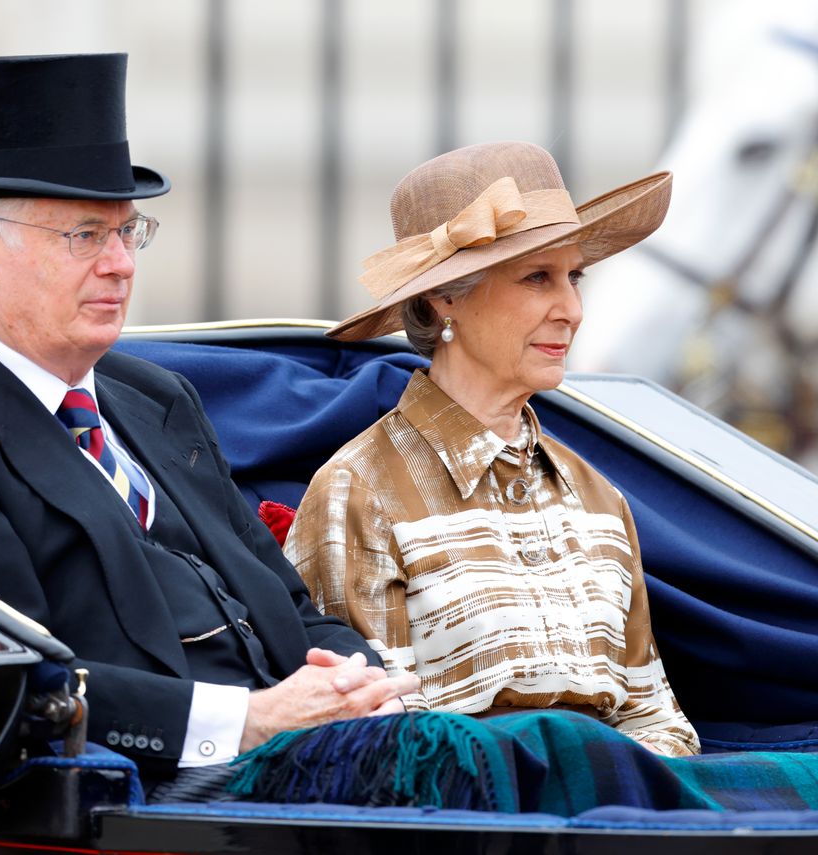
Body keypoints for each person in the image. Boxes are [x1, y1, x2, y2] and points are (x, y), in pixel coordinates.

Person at [0, 53, 417, 798]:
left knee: (540, 751)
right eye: (84, 235)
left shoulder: (153, 396)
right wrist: (251, 718)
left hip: (304, 751)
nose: (120, 264)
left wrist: (361, 687)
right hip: (154, 787)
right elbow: (1, 673)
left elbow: (293, 610)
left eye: (128, 231)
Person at [284, 141, 700, 757]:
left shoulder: (598, 495)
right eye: (538, 278)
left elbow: (655, 716)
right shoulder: (360, 488)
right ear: (444, 298)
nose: (573, 310)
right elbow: (375, 737)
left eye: (574, 276)